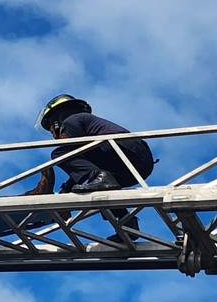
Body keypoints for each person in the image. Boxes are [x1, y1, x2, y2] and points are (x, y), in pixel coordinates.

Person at [35, 94, 155, 238]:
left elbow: (76, 152)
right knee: (101, 188)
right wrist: (66, 191)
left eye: (51, 129)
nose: (54, 135)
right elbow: (85, 162)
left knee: (59, 153)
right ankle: (128, 224)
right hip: (137, 163)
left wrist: (66, 191)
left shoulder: (71, 121)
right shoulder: (83, 121)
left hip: (123, 151)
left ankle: (102, 179)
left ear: (55, 119)